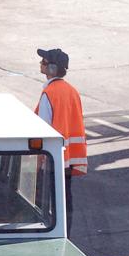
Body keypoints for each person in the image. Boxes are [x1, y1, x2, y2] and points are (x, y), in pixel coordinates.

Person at [34, 47, 87, 235]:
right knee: (65, 199)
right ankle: (67, 234)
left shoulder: (50, 93)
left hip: (52, 158)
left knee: (44, 201)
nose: (40, 64)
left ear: (51, 69)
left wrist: (39, 160)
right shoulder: (72, 91)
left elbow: (43, 127)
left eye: (44, 62)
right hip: (69, 158)